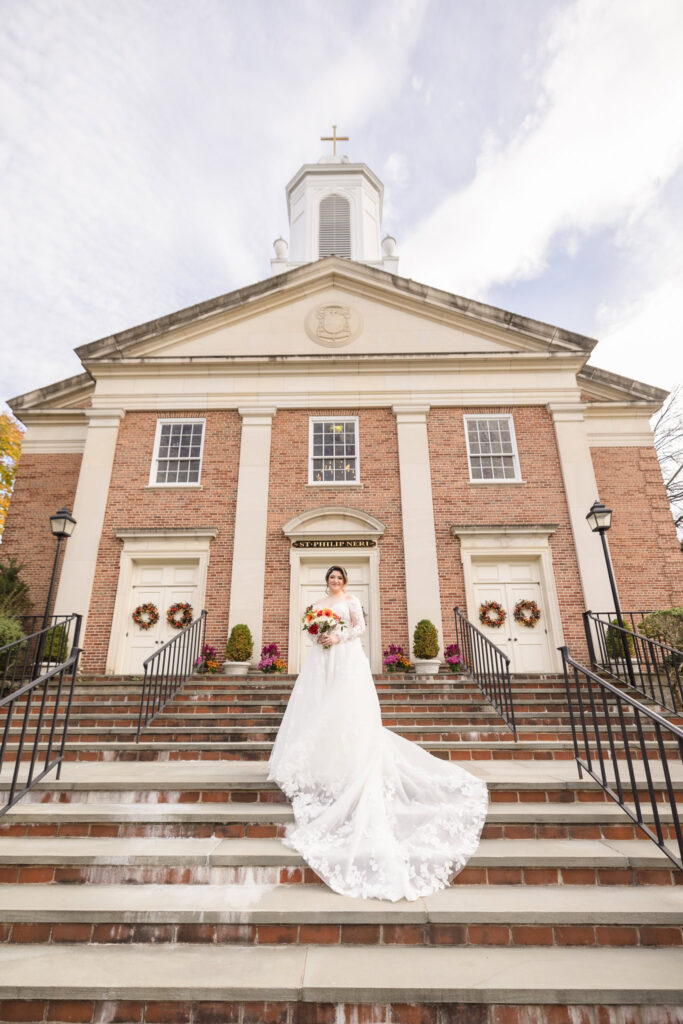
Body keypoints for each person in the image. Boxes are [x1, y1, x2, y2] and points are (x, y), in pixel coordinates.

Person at [267, 565, 488, 901]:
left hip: (346, 658)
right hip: (322, 660)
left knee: (344, 706)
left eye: (339, 578)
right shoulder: (317, 603)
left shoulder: (352, 600)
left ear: (345, 581)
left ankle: (350, 756)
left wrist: (337, 636)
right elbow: (311, 631)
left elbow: (360, 627)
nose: (335, 582)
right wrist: (320, 636)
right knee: (319, 705)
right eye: (332, 578)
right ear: (326, 580)